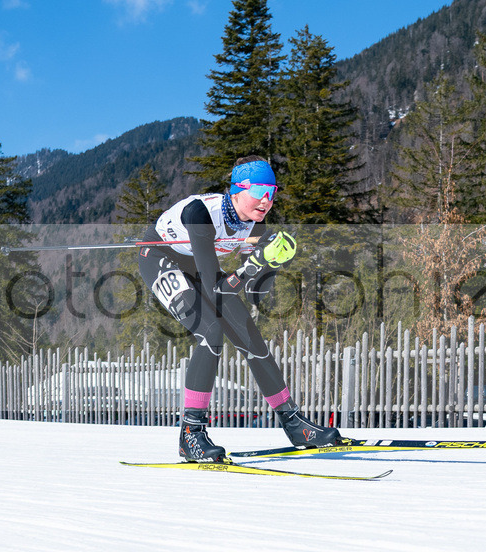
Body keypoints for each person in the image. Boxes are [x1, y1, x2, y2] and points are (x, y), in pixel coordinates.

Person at [137, 155, 346, 462]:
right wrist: (252, 265)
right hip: (160, 258)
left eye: (273, 192)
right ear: (237, 190)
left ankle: (294, 424)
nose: (267, 200)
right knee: (211, 332)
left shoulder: (255, 228)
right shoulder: (201, 215)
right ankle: (190, 435)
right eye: (260, 190)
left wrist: (271, 263)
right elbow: (213, 288)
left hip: (199, 266)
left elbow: (257, 295)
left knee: (249, 336)